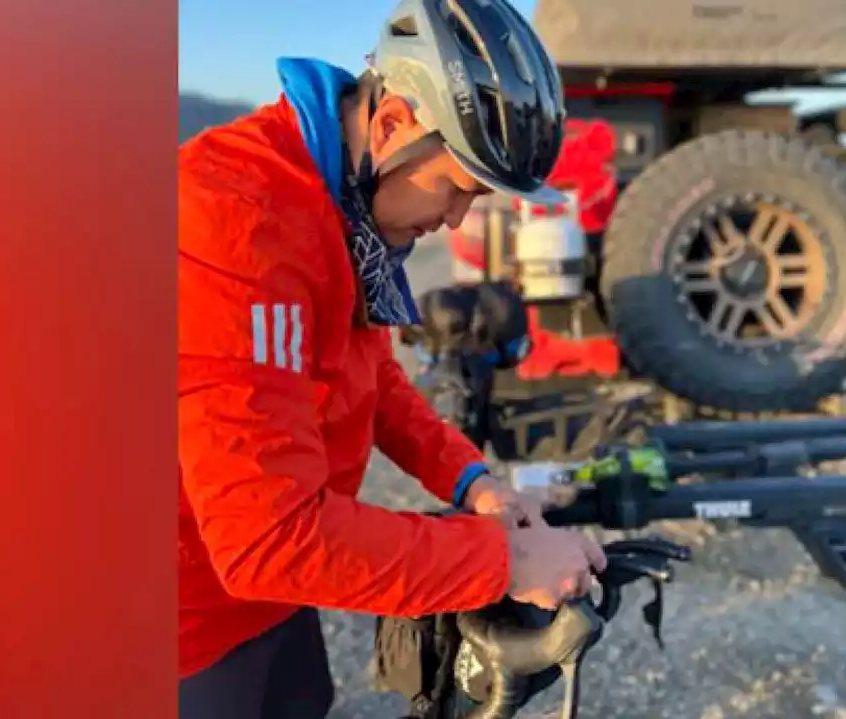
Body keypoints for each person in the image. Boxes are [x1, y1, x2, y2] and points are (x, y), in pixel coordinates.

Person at [176, 1, 606, 717]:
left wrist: (474, 484)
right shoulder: (235, 221)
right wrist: (505, 561)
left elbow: (374, 376)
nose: (459, 220)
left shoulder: (342, 205)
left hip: (266, 606)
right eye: (458, 187)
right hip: (179, 622)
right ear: (393, 124)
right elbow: (269, 538)